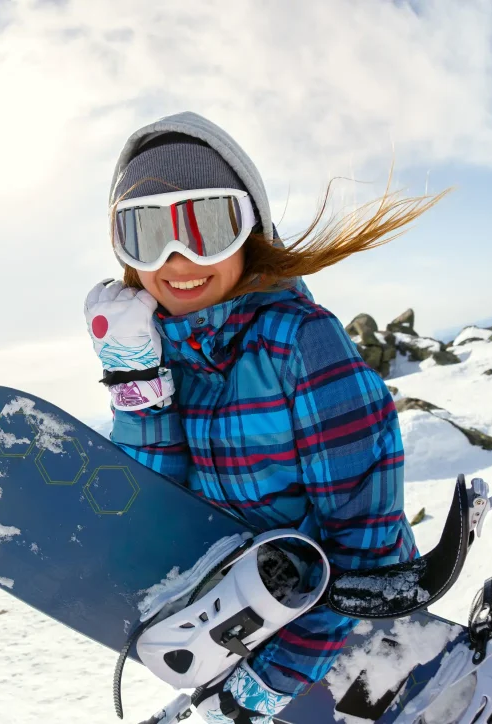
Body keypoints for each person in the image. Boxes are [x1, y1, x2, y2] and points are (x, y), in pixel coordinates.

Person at [84, 111, 445, 723]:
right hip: (246, 623)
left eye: (206, 224)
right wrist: (135, 379)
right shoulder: (159, 353)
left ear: (249, 228)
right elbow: (163, 513)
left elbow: (366, 544)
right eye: (147, 234)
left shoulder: (300, 343)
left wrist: (272, 680)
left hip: (356, 638)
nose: (177, 258)